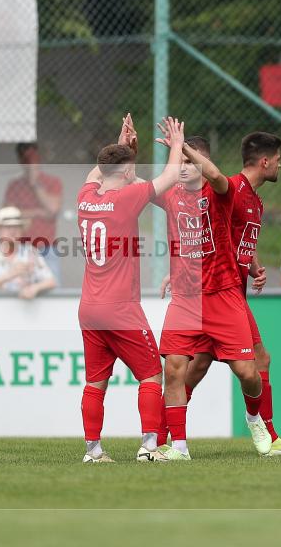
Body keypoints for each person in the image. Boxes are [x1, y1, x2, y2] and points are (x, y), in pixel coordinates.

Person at [159, 133, 281, 457]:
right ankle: (169, 439)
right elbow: (207, 229)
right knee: (191, 368)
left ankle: (263, 432)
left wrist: (252, 264)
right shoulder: (232, 189)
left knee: (237, 364)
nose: (280, 164)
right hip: (215, 293)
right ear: (265, 161)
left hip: (228, 292)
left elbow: (232, 235)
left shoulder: (254, 198)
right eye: (278, 158)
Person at [77, 114, 184, 464]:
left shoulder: (86, 196)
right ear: (126, 173)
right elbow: (169, 178)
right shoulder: (128, 198)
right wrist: (178, 144)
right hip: (120, 306)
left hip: (89, 308)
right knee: (152, 374)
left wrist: (122, 146)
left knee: (95, 382)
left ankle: (93, 451)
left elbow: (99, 171)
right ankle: (150, 448)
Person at [3, 143, 63, 282]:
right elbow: (8, 215)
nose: (29, 163)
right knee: (19, 287)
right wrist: (38, 212)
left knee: (52, 288)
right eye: (25, 159)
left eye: (33, 158)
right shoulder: (15, 185)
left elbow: (53, 209)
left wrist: (35, 183)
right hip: (21, 247)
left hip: (46, 247)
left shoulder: (52, 182)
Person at [0, 207, 56, 299]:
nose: (12, 231)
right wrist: (10, 274)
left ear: (22, 231)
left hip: (24, 310)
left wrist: (34, 288)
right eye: (8, 227)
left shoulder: (30, 253)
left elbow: (51, 281)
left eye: (16, 227)